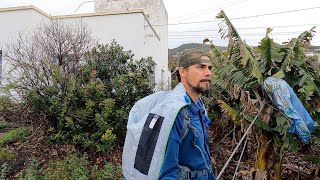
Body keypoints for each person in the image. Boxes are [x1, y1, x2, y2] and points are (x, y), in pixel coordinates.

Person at [159, 49, 217, 179]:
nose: (208, 73)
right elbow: (167, 172)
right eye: (201, 67)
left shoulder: (199, 106)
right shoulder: (176, 112)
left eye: (209, 68)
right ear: (182, 71)